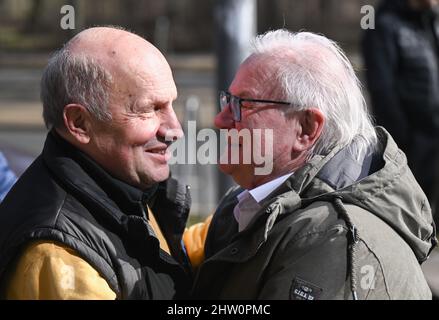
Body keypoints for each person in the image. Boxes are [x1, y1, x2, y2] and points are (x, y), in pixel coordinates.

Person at [190, 30, 437, 300]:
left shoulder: (333, 239)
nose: (220, 120)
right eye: (228, 100)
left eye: (242, 104)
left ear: (306, 128)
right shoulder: (246, 205)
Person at [0, 26, 192, 300]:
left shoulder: (123, 187)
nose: (175, 129)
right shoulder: (58, 254)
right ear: (79, 123)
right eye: (149, 109)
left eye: (172, 104)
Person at [362, 0, 439, 215]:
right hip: (409, 142)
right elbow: (381, 88)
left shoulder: (430, 21)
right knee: (408, 209)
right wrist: (403, 137)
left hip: (433, 139)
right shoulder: (383, 23)